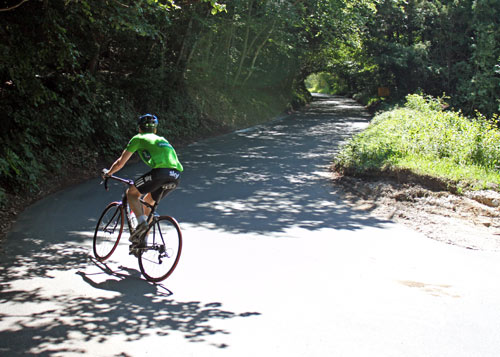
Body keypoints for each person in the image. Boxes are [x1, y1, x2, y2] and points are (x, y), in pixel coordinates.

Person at [102, 114, 183, 246]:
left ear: (139, 128)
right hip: (176, 176)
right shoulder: (162, 139)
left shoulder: (138, 138)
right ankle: (142, 241)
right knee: (148, 203)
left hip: (160, 173)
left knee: (132, 193)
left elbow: (120, 163)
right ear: (155, 129)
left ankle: (141, 225)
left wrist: (108, 173)